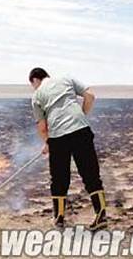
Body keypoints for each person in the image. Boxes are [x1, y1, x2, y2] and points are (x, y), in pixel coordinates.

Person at [29, 67, 107, 229]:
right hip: (81, 130)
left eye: (33, 85)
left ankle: (59, 218)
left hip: (58, 138)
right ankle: (101, 215)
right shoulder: (66, 79)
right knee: (91, 175)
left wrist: (48, 142)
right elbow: (90, 96)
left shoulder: (37, 95)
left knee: (59, 179)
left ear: (35, 80)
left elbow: (42, 128)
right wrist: (81, 117)